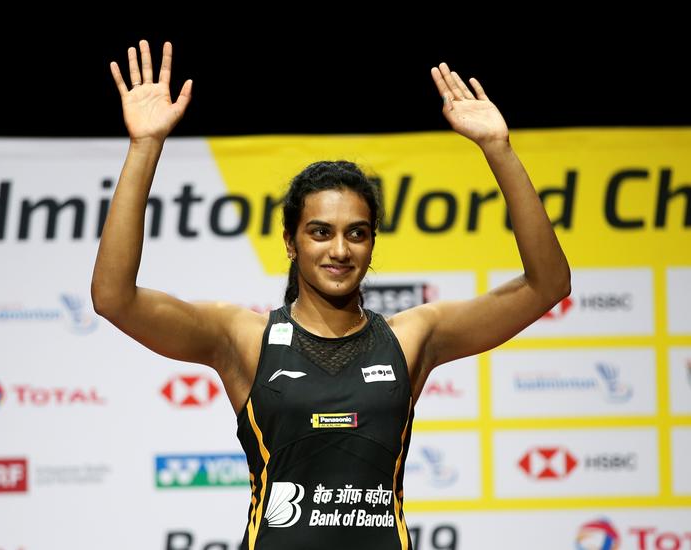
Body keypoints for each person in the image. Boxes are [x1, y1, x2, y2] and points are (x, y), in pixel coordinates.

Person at [91, 40, 571, 550]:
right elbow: (113, 297)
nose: (340, 250)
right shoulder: (244, 338)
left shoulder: (413, 338)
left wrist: (498, 148)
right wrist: (144, 146)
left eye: (357, 233)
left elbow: (548, 285)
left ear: (371, 242)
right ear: (290, 242)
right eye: (320, 232)